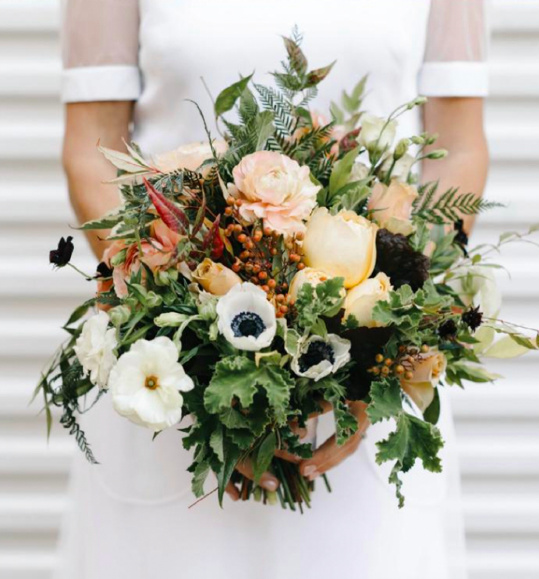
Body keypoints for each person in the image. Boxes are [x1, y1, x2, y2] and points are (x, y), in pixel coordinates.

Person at [58, 1, 489, 578]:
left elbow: (457, 149)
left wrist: (372, 350)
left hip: (362, 407)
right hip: (176, 387)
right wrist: (193, 339)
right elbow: (93, 145)